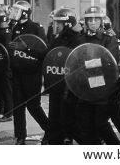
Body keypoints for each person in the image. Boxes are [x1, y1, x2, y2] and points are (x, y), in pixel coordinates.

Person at [77, 6, 120, 145]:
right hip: (84, 87)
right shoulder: (80, 39)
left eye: (96, 19)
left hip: (102, 87)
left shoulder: (109, 39)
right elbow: (76, 60)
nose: (93, 22)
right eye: (90, 20)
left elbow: (109, 62)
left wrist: (88, 64)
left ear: (101, 21)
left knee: (100, 124)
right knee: (85, 126)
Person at [8, 0, 49, 145]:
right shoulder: (15, 27)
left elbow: (44, 51)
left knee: (33, 106)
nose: (13, 13)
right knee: (18, 107)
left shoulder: (36, 27)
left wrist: (26, 48)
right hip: (18, 73)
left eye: (16, 10)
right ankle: (20, 137)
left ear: (24, 12)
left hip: (32, 74)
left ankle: (49, 130)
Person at [46, 8, 82, 145]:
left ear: (67, 24)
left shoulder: (78, 40)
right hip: (56, 86)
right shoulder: (57, 39)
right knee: (54, 120)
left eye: (59, 23)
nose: (56, 26)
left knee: (67, 121)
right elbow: (48, 56)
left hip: (69, 89)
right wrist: (29, 50)